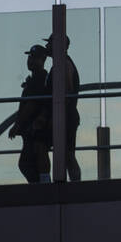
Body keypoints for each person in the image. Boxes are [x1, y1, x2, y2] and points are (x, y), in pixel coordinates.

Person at [7, 43, 51, 183]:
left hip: (35, 127)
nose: (30, 60)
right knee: (30, 161)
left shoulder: (39, 80)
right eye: (30, 57)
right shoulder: (37, 79)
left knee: (33, 159)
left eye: (34, 57)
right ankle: (42, 185)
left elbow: (31, 105)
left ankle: (43, 186)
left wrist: (17, 125)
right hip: (31, 127)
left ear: (43, 60)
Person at [44, 34, 82, 182]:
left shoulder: (63, 64)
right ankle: (74, 186)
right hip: (66, 116)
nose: (47, 47)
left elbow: (66, 92)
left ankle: (75, 187)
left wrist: (56, 117)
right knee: (67, 154)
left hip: (65, 116)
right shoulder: (62, 64)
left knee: (67, 154)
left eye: (50, 44)